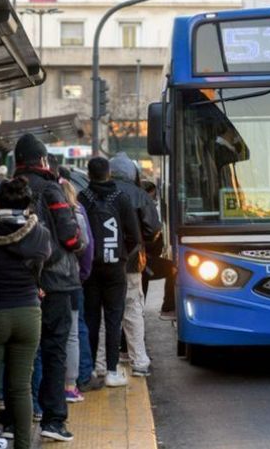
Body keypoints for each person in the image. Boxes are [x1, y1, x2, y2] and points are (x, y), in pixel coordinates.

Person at [13, 133, 84, 442]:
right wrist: (78, 243)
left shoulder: (10, 191)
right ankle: (53, 419)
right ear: (42, 160)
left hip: (17, 284)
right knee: (53, 349)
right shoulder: (52, 190)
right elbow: (71, 238)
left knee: (19, 353)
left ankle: (13, 419)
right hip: (55, 282)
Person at [0, 178, 51, 449]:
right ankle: (24, 444)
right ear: (27, 204)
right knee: (21, 387)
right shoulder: (39, 233)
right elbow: (44, 262)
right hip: (28, 314)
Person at [79, 157, 141, 387]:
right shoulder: (121, 198)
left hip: (91, 268)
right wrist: (122, 253)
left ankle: (94, 368)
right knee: (114, 318)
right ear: (109, 174)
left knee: (91, 318)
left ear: (89, 174)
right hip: (115, 267)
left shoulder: (82, 198)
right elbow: (135, 235)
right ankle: (113, 371)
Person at [108, 152, 161, 377]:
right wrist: (142, 244)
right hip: (131, 262)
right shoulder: (140, 195)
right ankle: (138, 361)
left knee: (105, 313)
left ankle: (102, 364)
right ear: (132, 173)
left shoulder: (96, 194)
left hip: (104, 261)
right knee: (133, 310)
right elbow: (153, 229)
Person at [59, 178, 96, 402]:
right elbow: (87, 247)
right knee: (74, 330)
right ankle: (72, 383)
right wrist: (83, 274)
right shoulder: (78, 213)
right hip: (72, 279)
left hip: (49, 282)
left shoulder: (45, 214)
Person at [141, 180, 177, 320]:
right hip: (144, 259)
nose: (154, 200)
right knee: (174, 268)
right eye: (153, 196)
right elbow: (151, 236)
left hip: (142, 259)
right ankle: (168, 307)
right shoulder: (146, 210)